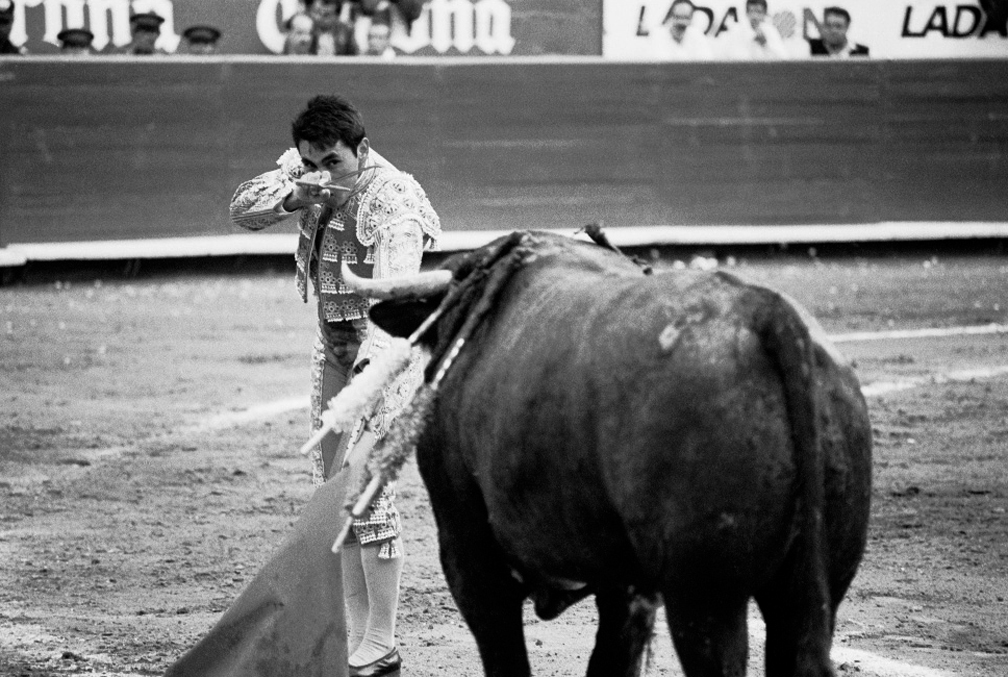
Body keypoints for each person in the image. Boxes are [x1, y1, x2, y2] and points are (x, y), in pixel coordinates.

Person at [228, 95, 439, 675]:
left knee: (365, 489)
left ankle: (383, 637)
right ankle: (359, 635)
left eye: (334, 163)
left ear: (363, 150)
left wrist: (372, 373)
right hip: (330, 348)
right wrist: (290, 195)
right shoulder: (307, 170)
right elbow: (241, 210)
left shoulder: (393, 199)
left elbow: (397, 298)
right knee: (334, 488)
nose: (323, 174)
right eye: (311, 162)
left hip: (383, 353)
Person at [648, 0, 713, 61]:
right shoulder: (658, 34)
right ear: (670, 17)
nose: (681, 22)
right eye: (678, 17)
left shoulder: (696, 34)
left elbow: (707, 61)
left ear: (691, 19)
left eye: (686, 17)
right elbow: (660, 63)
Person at [724, 0, 789, 60]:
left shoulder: (770, 30)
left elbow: (783, 59)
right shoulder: (737, 31)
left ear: (765, 14)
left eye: (759, 12)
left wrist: (764, 43)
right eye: (751, 11)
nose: (754, 16)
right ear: (746, 13)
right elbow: (730, 57)